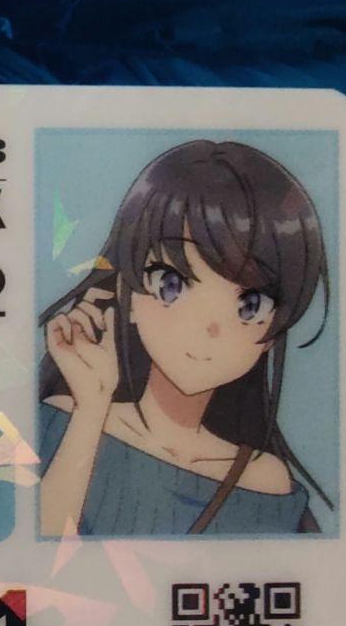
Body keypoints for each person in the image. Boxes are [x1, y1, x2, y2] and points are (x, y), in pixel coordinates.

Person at [38, 139, 332, 537]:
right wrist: (91, 409)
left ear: (273, 332)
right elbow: (31, 561)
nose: (208, 328)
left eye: (250, 305)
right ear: (126, 295)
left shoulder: (265, 481)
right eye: (171, 285)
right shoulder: (62, 422)